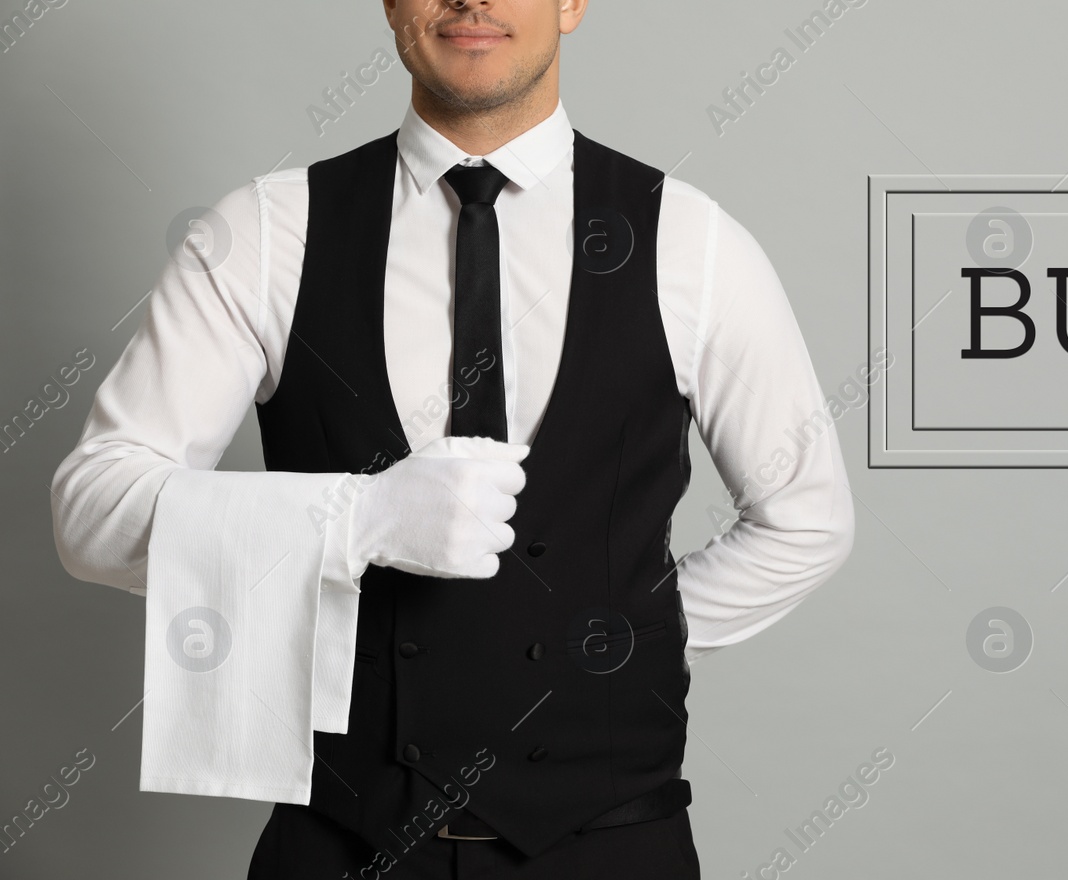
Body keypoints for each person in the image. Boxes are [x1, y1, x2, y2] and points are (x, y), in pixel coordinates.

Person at [49, 1, 855, 876]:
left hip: (612, 849)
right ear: (393, 4)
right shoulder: (265, 233)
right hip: (339, 846)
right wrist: (354, 520)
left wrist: (618, 637)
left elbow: (805, 520)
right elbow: (91, 513)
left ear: (572, 2)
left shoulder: (690, 242)